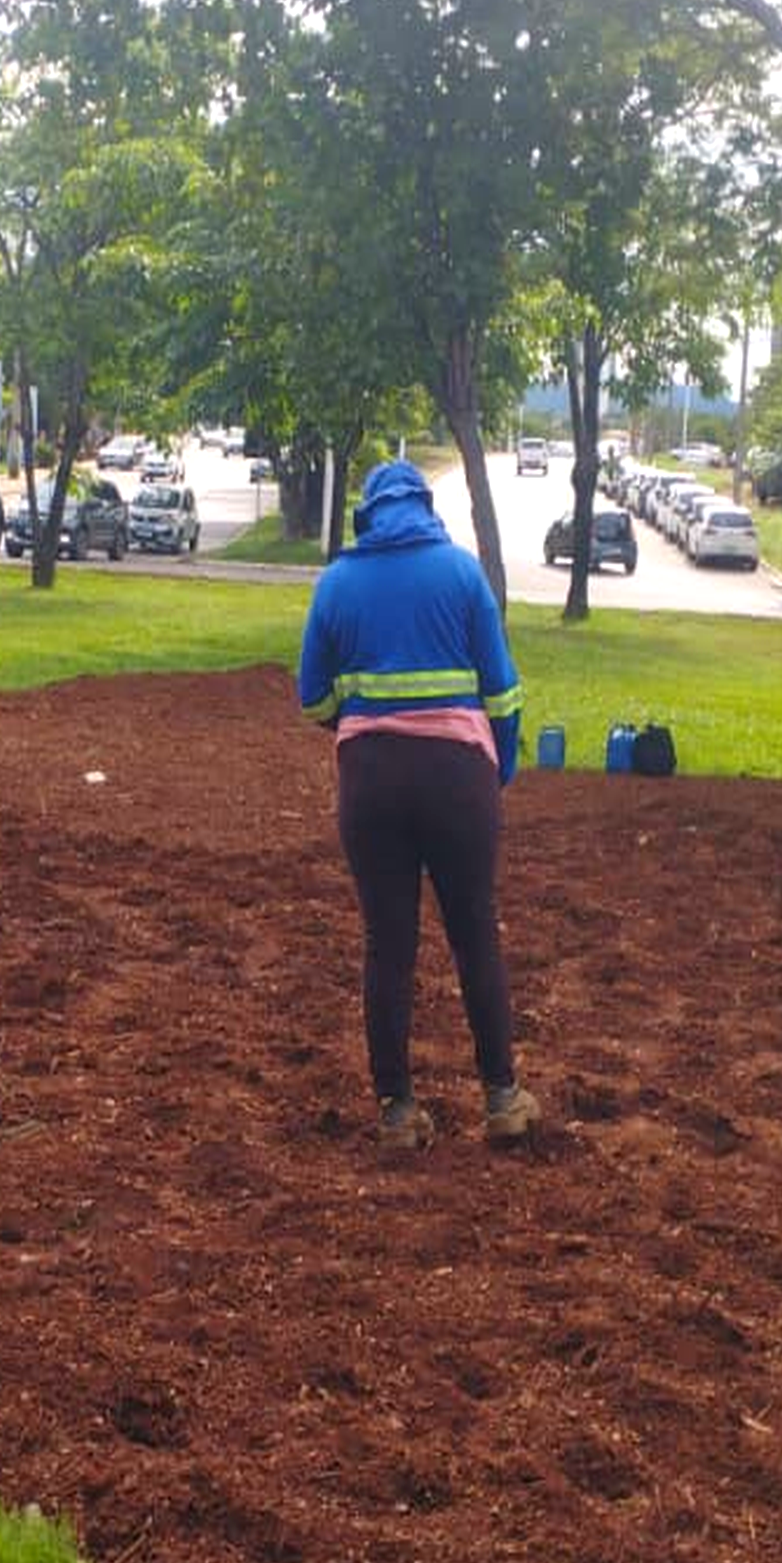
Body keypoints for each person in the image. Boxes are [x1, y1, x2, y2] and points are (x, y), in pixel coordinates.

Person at [296, 460, 537, 1148]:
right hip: (460, 777)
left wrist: (363, 720)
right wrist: (499, 770)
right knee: (473, 934)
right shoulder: (462, 574)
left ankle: (397, 1111)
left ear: (369, 511)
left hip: (371, 782)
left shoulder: (337, 581)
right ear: (427, 508)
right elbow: (504, 694)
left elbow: (312, 698)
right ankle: (501, 1097)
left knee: (388, 946)